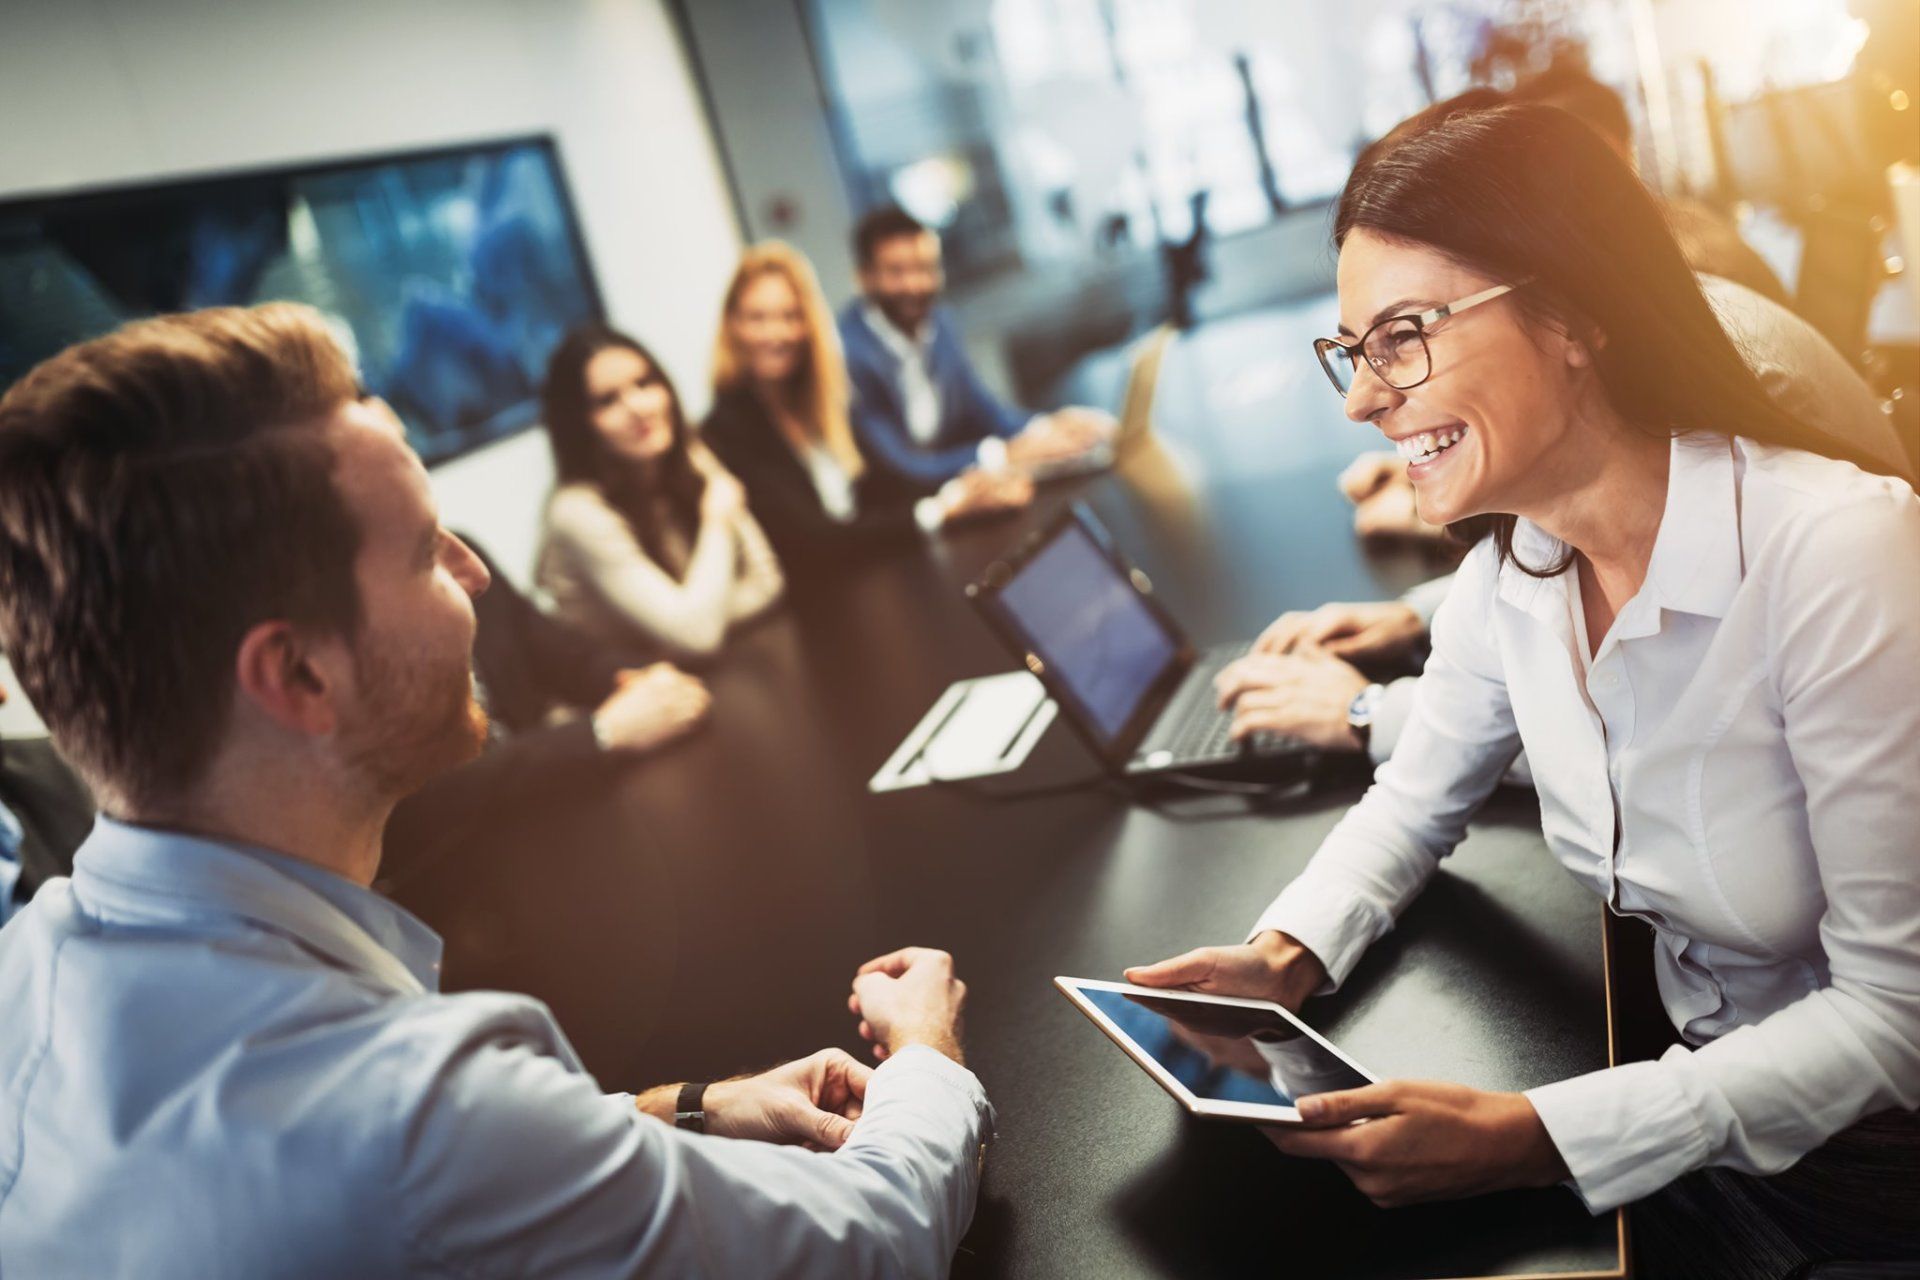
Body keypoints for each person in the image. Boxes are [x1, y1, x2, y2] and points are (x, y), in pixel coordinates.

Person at [0, 303, 993, 1277]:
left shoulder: (30, 964)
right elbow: (875, 1238)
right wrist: (923, 1057)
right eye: (428, 548)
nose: (474, 572)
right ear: (301, 675)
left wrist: (682, 1109)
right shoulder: (416, 1109)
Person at [1129, 105, 1920, 1276]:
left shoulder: (1836, 553)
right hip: (1694, 1095)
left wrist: (1532, 1135)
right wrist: (1285, 953)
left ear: (1571, 316)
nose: (1361, 397)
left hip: (1858, 1168)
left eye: (1403, 335)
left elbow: (1894, 1021)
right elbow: (1414, 796)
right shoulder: (1520, 563)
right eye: (1354, 349)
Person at [1220, 86, 1914, 762]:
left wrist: (1367, 713)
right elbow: (1598, 551)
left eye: (1406, 330)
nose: (1361, 401)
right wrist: (1425, 610)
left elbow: (1648, 732)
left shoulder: (1731, 396)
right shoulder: (1638, 354)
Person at [383, 534, 713, 880]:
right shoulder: (358, 643)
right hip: (457, 877)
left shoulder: (459, 560)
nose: (476, 573)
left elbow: (562, 654)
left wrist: (640, 680)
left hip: (546, 833)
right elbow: (416, 806)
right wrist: (600, 734)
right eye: (422, 533)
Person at [702, 241, 1031, 570]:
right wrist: (940, 511)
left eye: (790, 316)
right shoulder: (726, 430)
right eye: (757, 318)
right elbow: (815, 541)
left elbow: (888, 480)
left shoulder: (823, 402)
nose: (776, 333)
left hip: (878, 572)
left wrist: (970, 489)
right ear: (733, 325)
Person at [536, 325, 784, 658]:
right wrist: (717, 521)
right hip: (628, 696)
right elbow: (698, 636)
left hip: (703, 674)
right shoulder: (576, 512)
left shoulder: (687, 453)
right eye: (608, 400)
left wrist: (690, 623)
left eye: (644, 383)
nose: (639, 407)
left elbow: (768, 581)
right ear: (579, 425)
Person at [838, 204, 1113, 488]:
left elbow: (983, 410)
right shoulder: (848, 353)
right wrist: (1004, 454)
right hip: (901, 511)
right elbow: (903, 467)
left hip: (963, 489)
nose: (916, 285)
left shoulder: (940, 322)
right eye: (897, 272)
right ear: (864, 278)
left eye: (926, 268)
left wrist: (1048, 428)